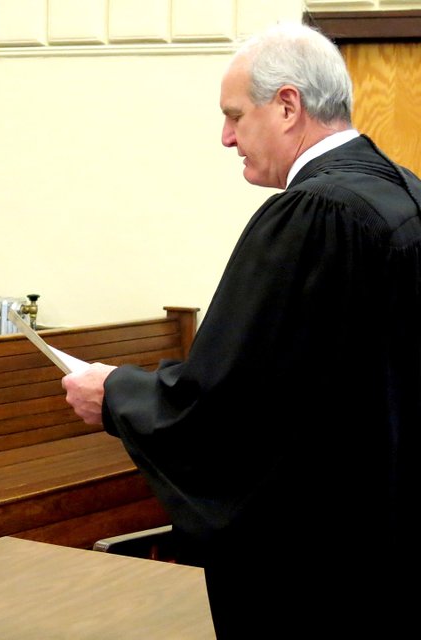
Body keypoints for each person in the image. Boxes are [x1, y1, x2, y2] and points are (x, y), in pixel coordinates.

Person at [62, 23, 417, 638]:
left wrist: (115, 393)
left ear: (287, 105)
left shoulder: (315, 215)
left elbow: (230, 407)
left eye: (234, 116)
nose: (226, 137)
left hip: (317, 563)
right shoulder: (402, 191)